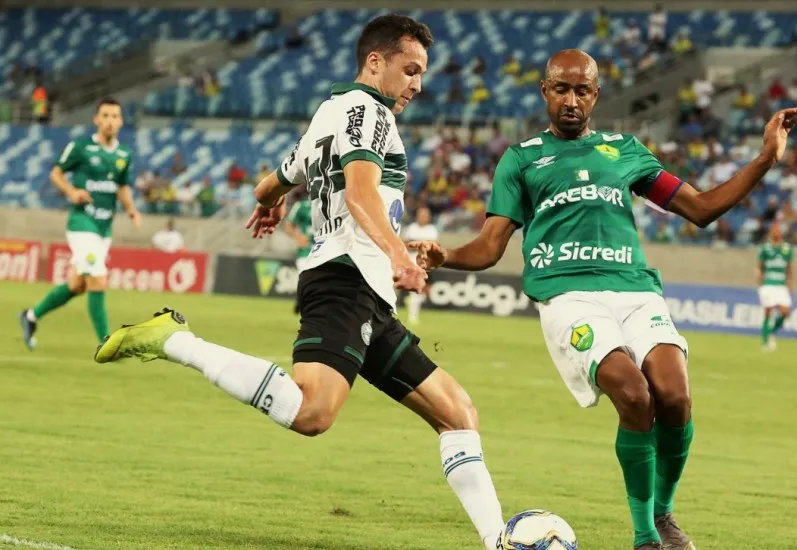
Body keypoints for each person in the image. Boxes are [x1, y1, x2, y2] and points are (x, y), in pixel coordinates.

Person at [91, 15, 505, 548]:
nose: (418, 84)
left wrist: (271, 203)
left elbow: (273, 180)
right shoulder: (370, 111)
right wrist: (401, 256)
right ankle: (174, 340)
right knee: (311, 412)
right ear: (375, 62)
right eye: (410, 69)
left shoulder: (329, 113)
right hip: (345, 279)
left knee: (458, 412)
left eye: (421, 73)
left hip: (368, 292)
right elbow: (360, 194)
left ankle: (500, 540)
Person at [411, 49, 797, 550]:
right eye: (561, 89)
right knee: (635, 396)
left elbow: (702, 209)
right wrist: (444, 255)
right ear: (544, 92)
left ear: (595, 95)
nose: (571, 100)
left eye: (582, 91)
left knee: (676, 397)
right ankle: (644, 538)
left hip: (636, 292)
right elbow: (490, 247)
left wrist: (766, 157)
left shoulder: (626, 151)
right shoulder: (522, 158)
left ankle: (663, 515)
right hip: (569, 297)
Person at [20, 98, 141, 349]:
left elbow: (122, 186)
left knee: (77, 285)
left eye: (115, 116)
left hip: (103, 227)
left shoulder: (124, 154)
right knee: (98, 278)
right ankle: (106, 343)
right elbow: (56, 172)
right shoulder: (81, 147)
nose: (109, 121)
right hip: (82, 223)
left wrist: (132, 210)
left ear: (121, 121)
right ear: (96, 119)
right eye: (105, 116)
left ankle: (31, 316)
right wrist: (71, 191)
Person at [757, 222, 794, 351]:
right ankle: (765, 342)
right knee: (768, 311)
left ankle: (771, 332)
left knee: (785, 312)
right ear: (770, 232)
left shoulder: (787, 249)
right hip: (768, 284)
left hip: (781, 285)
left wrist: (790, 284)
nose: (776, 232)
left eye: (778, 230)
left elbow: (789, 269)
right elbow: (760, 267)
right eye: (774, 230)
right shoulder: (765, 248)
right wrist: (760, 283)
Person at [402, 206, 439, 324]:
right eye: (422, 215)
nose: (424, 217)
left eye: (426, 215)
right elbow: (405, 245)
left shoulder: (432, 230)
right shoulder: (411, 229)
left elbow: (432, 247)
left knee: (427, 291)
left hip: (427, 264)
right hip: (412, 263)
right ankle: (413, 317)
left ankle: (412, 303)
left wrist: (416, 245)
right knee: (415, 290)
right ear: (418, 216)